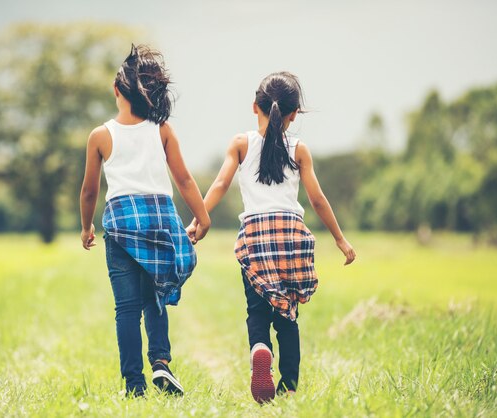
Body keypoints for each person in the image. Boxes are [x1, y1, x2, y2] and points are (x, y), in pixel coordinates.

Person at [186, 72, 356, 403]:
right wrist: (339, 238)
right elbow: (317, 199)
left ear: (255, 107)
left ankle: (260, 348)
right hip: (291, 235)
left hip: (256, 234)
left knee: (257, 310)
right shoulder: (300, 149)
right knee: (288, 314)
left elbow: (220, 185)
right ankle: (289, 385)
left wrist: (199, 220)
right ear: (293, 114)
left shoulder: (240, 143)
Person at [80, 44, 210, 397]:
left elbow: (90, 190)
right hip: (160, 220)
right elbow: (183, 179)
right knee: (156, 296)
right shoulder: (161, 129)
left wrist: (87, 226)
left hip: (121, 222)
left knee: (126, 308)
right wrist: (202, 216)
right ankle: (161, 364)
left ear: (118, 90)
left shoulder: (100, 135)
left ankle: (134, 384)